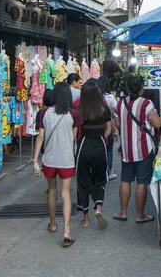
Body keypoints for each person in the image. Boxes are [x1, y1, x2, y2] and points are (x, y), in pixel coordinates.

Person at [114, 75, 161, 223]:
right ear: (142, 88)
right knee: (142, 182)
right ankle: (139, 215)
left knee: (125, 179)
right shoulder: (146, 104)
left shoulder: (121, 103)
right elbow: (157, 123)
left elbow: (117, 124)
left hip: (127, 149)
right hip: (143, 148)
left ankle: (123, 212)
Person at [33, 82, 82, 248]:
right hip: (66, 159)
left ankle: (53, 224)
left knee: (52, 191)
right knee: (66, 193)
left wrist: (34, 160)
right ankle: (67, 231)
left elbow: (40, 137)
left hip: (49, 159)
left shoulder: (45, 113)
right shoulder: (74, 115)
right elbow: (73, 138)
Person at [76, 79, 112, 229]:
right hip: (99, 144)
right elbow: (109, 130)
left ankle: (85, 218)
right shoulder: (104, 108)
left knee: (83, 180)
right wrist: (101, 138)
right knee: (100, 178)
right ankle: (98, 208)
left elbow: (75, 131)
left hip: (84, 144)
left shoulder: (79, 109)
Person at [98, 75, 119, 180]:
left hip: (96, 127)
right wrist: (115, 130)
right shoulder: (110, 98)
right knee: (109, 150)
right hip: (108, 127)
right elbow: (113, 115)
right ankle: (109, 172)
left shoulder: (94, 97)